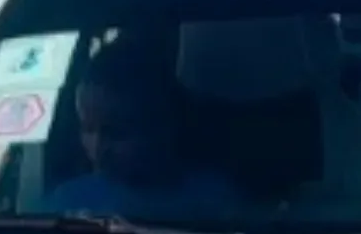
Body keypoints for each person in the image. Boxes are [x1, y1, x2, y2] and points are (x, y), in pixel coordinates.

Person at [40, 35, 240, 219]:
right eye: (88, 129)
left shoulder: (211, 200)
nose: (98, 147)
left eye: (117, 133)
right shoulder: (68, 202)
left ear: (161, 127)